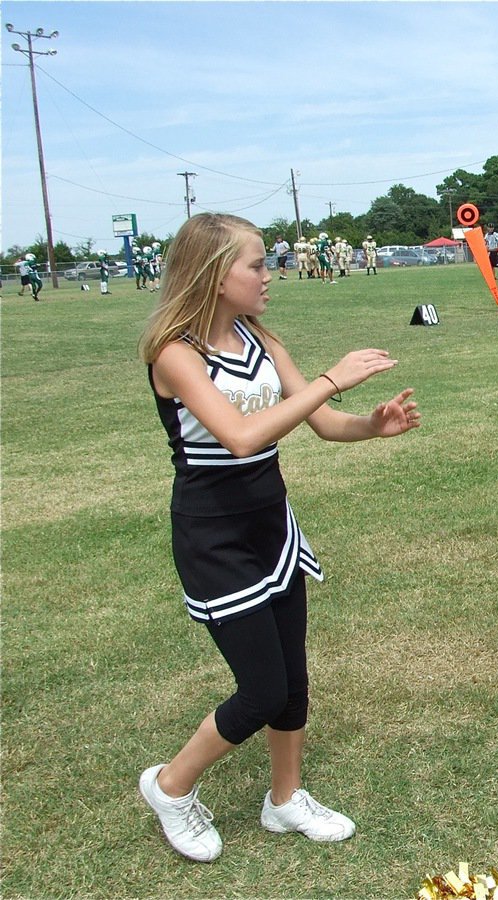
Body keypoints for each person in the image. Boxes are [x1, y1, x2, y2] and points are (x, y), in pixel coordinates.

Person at [135, 212, 420, 863]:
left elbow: (323, 424)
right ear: (213, 273)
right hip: (215, 539)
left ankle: (285, 800)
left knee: (292, 681)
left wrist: (372, 426)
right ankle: (171, 785)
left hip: (273, 529)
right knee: (261, 690)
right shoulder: (175, 354)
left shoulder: (259, 338)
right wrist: (330, 378)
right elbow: (239, 438)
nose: (271, 274)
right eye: (257, 264)